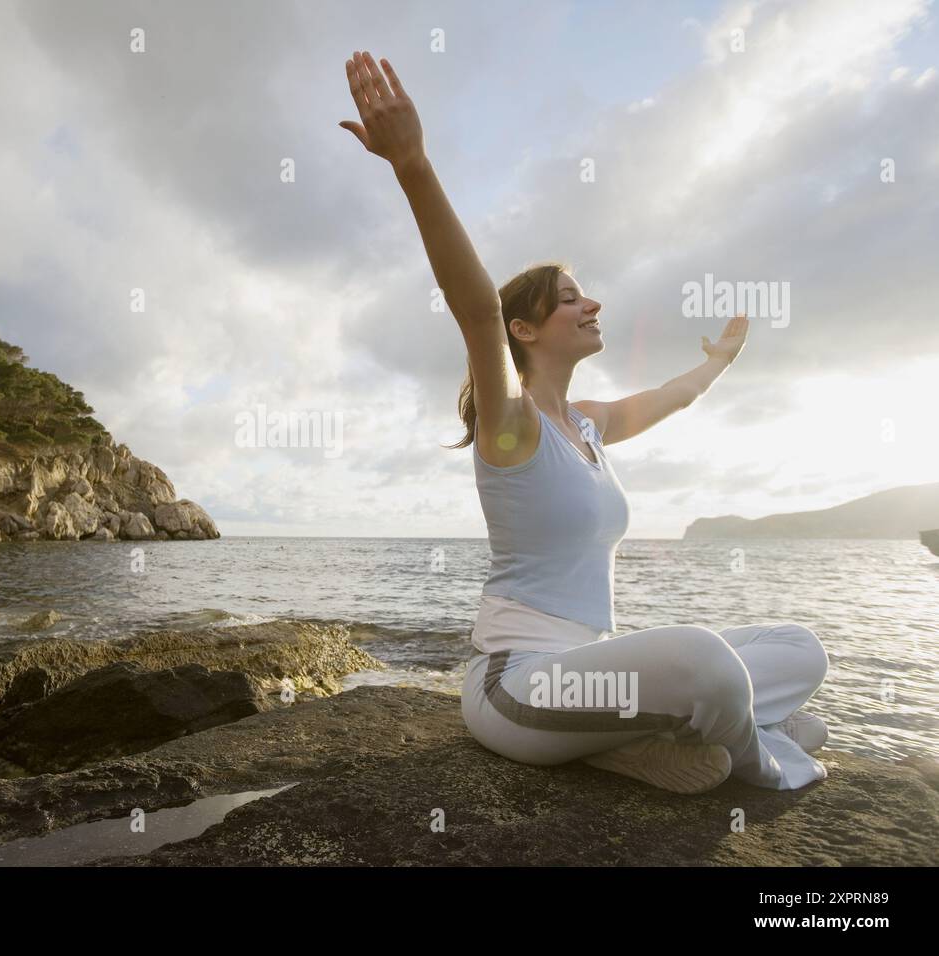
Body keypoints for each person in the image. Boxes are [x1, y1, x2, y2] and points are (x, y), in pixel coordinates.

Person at [340, 50, 828, 792]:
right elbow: (475, 307)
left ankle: (644, 740)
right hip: (517, 689)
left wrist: (720, 362)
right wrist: (412, 164)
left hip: (590, 679)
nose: (591, 304)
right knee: (704, 661)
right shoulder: (512, 425)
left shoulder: (590, 428)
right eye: (570, 297)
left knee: (799, 648)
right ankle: (763, 758)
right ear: (526, 331)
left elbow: (675, 396)